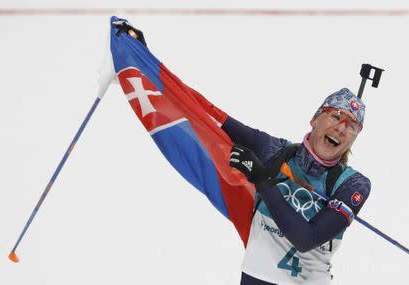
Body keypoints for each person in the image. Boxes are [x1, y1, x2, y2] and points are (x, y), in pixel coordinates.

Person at [115, 22, 371, 285]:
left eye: (352, 126)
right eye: (336, 116)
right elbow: (206, 115)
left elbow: (305, 239)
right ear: (315, 119)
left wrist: (262, 178)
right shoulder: (275, 151)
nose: (341, 128)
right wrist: (148, 65)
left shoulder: (353, 184)